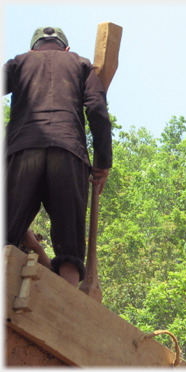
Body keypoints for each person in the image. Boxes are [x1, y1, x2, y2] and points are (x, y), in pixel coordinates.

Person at [4, 27, 112, 287]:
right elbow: (97, 109)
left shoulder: (19, 62)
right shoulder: (82, 64)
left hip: (22, 151)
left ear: (33, 48)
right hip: (68, 152)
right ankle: (68, 311)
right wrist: (103, 163)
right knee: (70, 245)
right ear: (65, 48)